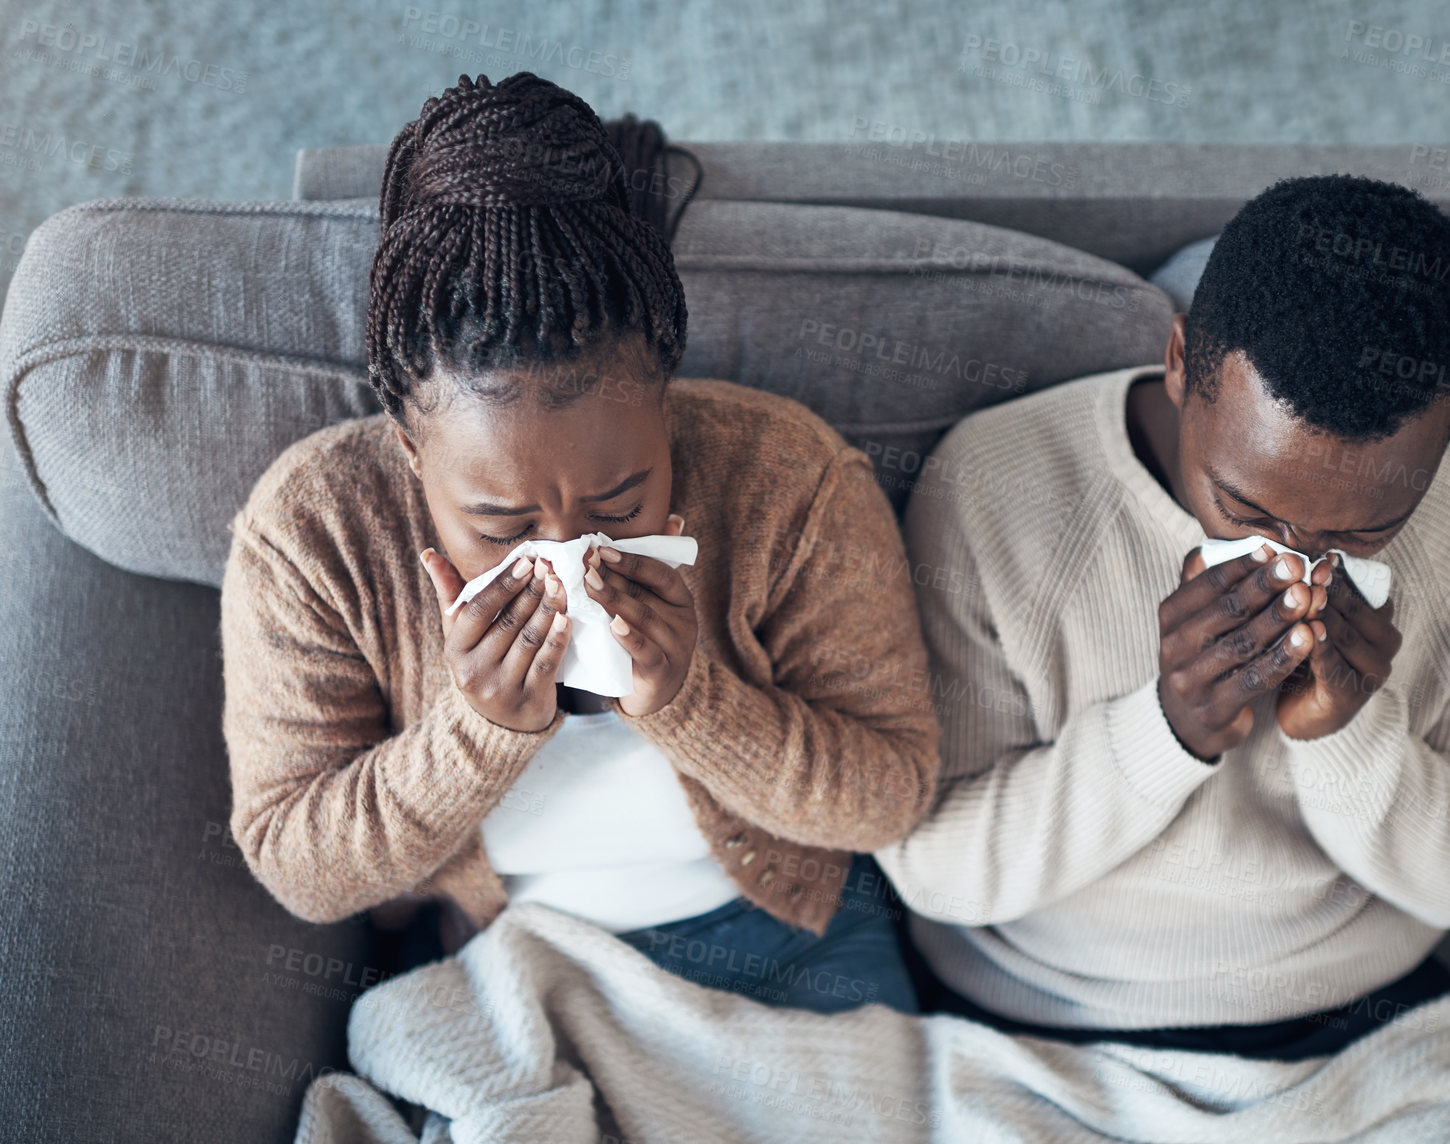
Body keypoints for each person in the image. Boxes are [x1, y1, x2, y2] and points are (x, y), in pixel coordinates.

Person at [220, 72, 939, 1016]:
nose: (572, 557)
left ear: (665, 409)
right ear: (409, 453)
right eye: (503, 526)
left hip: (786, 942)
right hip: (510, 962)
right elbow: (297, 867)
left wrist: (692, 702)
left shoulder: (790, 480)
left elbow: (892, 794)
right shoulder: (313, 533)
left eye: (621, 500)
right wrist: (474, 734)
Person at [875, 174, 1450, 1057]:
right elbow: (935, 869)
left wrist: (1350, 736)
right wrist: (1167, 729)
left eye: (1366, 531)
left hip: (1363, 1015)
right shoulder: (996, 487)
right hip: (1049, 1022)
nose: (1301, 562)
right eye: (1246, 507)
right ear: (1180, 362)